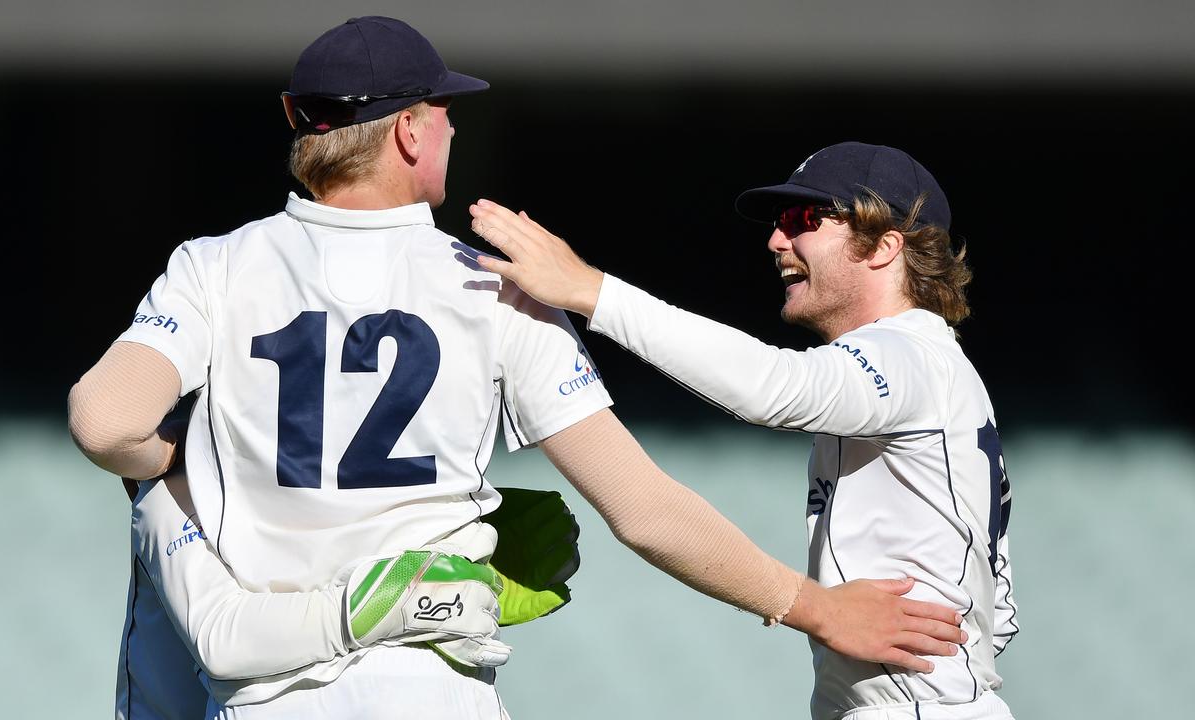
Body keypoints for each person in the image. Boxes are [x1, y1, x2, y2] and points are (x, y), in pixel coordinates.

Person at [68, 16, 966, 717]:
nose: (454, 128)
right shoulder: (491, 288)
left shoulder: (214, 266)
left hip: (265, 693)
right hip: (431, 687)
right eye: (446, 112)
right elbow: (644, 511)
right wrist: (807, 605)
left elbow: (106, 424)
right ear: (411, 134)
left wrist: (185, 459)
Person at [467, 141, 1019, 720]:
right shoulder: (932, 369)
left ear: (884, 247)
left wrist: (591, 291)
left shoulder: (909, 354)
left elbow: (775, 387)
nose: (778, 241)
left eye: (806, 219)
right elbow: (998, 608)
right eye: (781, 222)